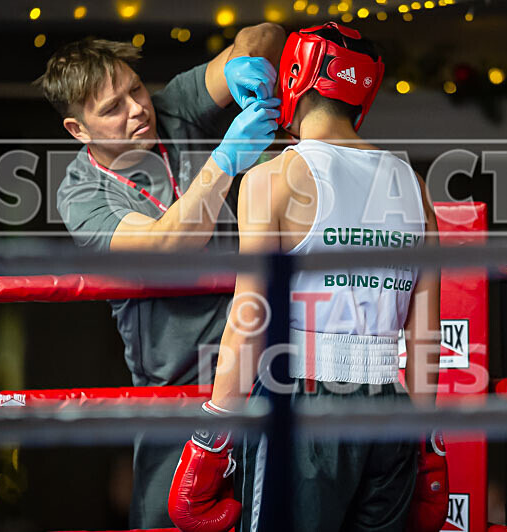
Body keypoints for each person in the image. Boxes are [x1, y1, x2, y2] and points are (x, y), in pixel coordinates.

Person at [168, 22, 448, 532]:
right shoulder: (414, 186)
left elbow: (250, 318)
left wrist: (211, 435)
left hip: (303, 407)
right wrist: (427, 439)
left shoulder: (271, 179)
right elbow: (425, 333)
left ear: (295, 78)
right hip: (392, 414)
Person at [35, 24, 285, 528]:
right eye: (111, 108)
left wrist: (248, 66)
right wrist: (225, 161)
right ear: (77, 130)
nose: (136, 110)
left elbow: (261, 35)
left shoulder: (173, 106)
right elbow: (166, 245)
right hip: (175, 392)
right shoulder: (82, 194)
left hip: (258, 369)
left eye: (135, 89)